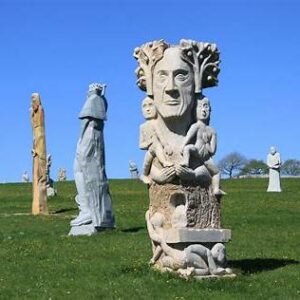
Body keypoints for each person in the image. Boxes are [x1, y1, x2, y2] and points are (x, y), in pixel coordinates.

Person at [70, 83, 115, 232]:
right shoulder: (99, 101)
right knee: (80, 170)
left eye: (90, 89)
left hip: (88, 139)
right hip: (90, 138)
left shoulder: (94, 101)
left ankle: (87, 211)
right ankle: (87, 209)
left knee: (82, 170)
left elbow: (84, 123)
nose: (88, 92)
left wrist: (80, 141)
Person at [145, 210, 231, 276]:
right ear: (218, 250)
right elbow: (213, 270)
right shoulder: (208, 252)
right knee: (205, 270)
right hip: (184, 257)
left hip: (180, 257)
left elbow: (160, 246)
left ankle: (180, 271)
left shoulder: (162, 234)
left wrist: (153, 259)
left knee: (165, 262)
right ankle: (189, 271)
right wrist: (148, 220)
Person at [181, 97, 224, 195]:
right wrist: (182, 147)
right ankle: (186, 163)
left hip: (205, 157)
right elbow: (187, 139)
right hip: (196, 150)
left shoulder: (212, 131)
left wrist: (207, 143)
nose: (203, 110)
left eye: (206, 107)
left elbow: (213, 151)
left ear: (210, 110)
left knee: (217, 172)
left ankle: (216, 189)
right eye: (200, 107)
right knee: (188, 148)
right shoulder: (196, 126)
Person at [139, 97, 173, 184]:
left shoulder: (157, 123)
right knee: (148, 158)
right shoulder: (142, 127)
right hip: (151, 150)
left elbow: (161, 137)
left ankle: (163, 162)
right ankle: (144, 174)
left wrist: (166, 145)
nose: (147, 109)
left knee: (156, 145)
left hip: (157, 148)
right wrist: (147, 143)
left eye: (151, 105)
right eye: (144, 106)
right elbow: (140, 145)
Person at [31, 93, 48, 214]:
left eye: (34, 99)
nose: (32, 102)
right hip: (36, 138)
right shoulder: (33, 112)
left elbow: (40, 137)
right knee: (35, 173)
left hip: (39, 142)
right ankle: (36, 208)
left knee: (41, 173)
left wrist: (37, 150)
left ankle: (41, 208)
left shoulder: (41, 110)